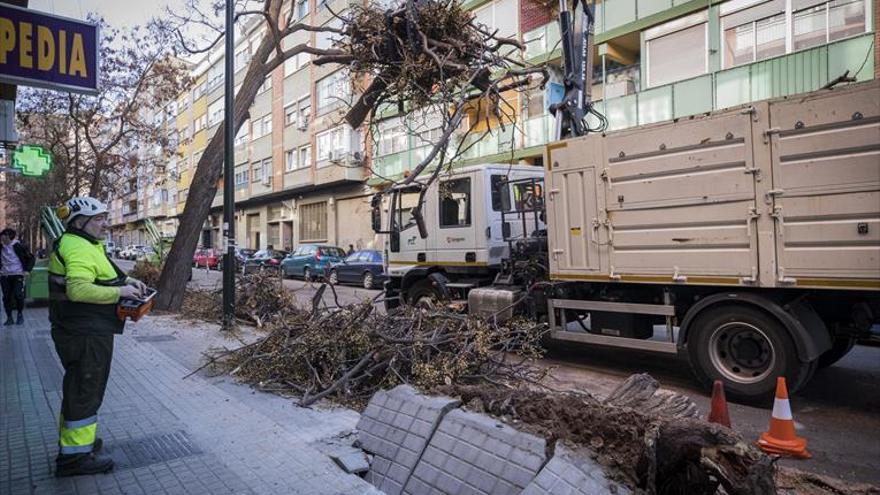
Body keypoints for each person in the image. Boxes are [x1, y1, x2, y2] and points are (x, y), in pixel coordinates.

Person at [49, 197, 148, 477]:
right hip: (84, 333)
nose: (106, 223)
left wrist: (128, 282)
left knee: (80, 388)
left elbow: (101, 275)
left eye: (105, 217)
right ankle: (74, 460)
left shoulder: (84, 243)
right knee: (85, 389)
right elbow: (78, 291)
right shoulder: (77, 246)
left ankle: (79, 444)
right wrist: (120, 293)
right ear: (80, 222)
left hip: (85, 330)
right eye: (99, 219)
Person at [0, 228, 35, 325]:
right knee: (6, 297)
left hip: (17, 274)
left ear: (8, 236)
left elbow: (31, 258)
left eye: (3, 236)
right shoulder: (1, 247)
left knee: (18, 295)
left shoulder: (18, 246)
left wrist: (27, 270)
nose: (2, 239)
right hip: (4, 275)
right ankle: (9, 317)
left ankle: (20, 314)